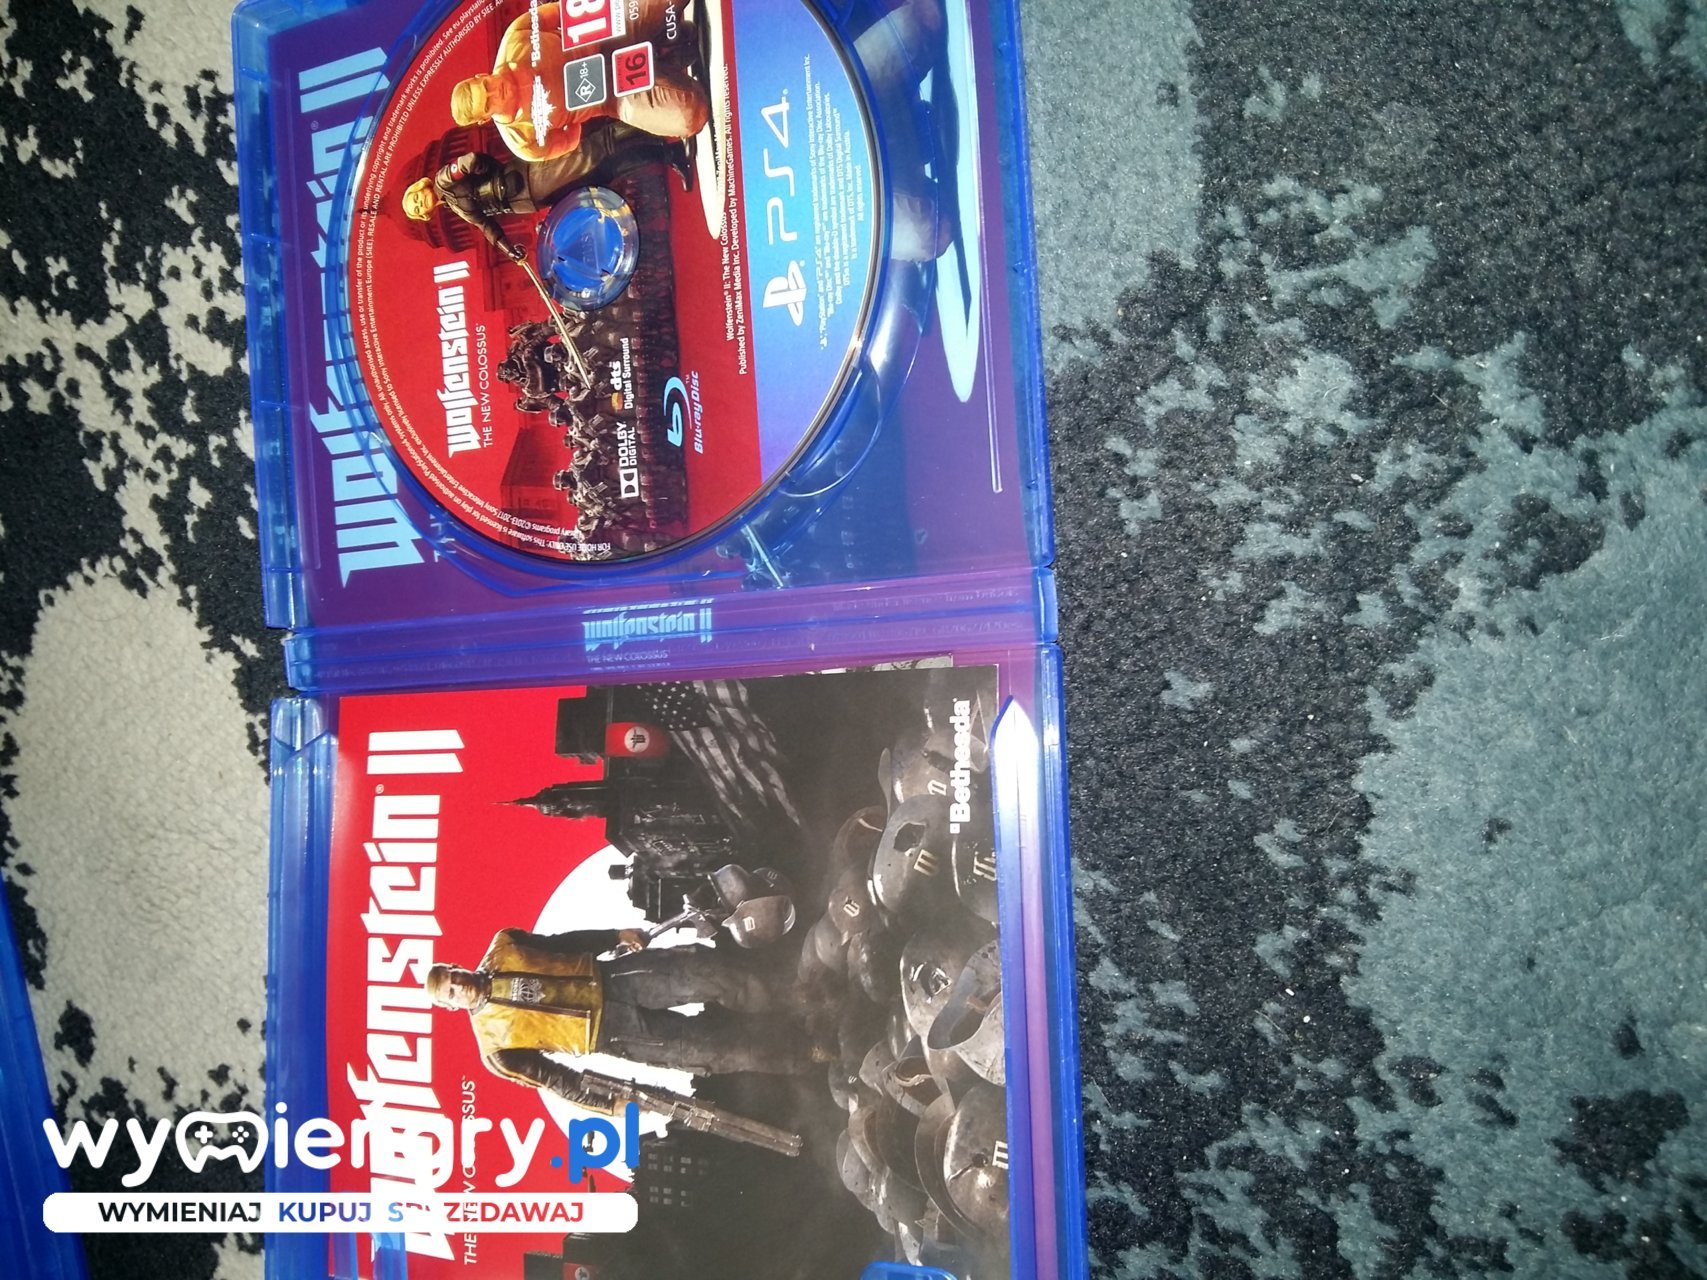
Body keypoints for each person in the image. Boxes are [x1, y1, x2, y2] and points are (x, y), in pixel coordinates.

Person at [426, 928, 825, 1101]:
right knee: (713, 1052)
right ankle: (808, 1052)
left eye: (452, 974)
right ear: (449, 1006)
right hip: (615, 1035)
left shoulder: (504, 944)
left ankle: (810, 997)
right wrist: (611, 1104)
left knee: (712, 976)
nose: (458, 983)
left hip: (617, 977)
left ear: (456, 966)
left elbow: (563, 943)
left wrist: (613, 936)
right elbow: (559, 1082)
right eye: (450, 991)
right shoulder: (495, 1049)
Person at [449, 2, 709, 163]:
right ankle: (667, 56)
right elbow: (570, 141)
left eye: (486, 86)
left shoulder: (513, 38)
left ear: (480, 76)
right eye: (489, 102)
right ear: (484, 118)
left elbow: (557, 13)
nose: (496, 91)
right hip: (612, 95)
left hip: (603, 35)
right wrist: (583, 106)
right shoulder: (522, 141)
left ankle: (665, 44)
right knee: (690, 116)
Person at [401, 129, 690, 260]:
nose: (419, 203)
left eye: (414, 198)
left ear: (419, 188)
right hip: (532, 196)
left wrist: (490, 172)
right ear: (425, 215)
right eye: (416, 209)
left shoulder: (442, 181)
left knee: (594, 151)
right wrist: (507, 248)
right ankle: (668, 153)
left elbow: (470, 161)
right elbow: (485, 225)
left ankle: (655, 125)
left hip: (531, 177)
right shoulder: (453, 205)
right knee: (603, 173)